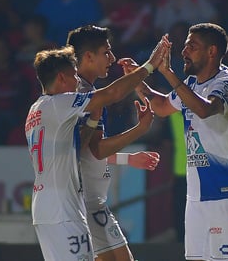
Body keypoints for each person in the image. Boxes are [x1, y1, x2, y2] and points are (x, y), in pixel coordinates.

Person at [25, 37, 167, 260]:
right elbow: (112, 94)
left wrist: (92, 122)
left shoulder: (36, 110)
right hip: (65, 208)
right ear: (62, 78)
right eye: (73, 76)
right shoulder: (60, 103)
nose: (77, 82)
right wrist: (149, 66)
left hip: (44, 208)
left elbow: (77, 148)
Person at [121, 23, 228, 261]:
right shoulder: (190, 85)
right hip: (196, 194)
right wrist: (136, 80)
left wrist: (167, 72)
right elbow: (159, 106)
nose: (184, 51)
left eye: (192, 46)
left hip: (225, 191)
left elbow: (204, 109)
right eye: (185, 46)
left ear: (212, 52)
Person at [66, 25, 160, 261]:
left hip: (92, 202)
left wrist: (128, 158)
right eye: (106, 52)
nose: (112, 58)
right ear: (88, 56)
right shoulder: (81, 93)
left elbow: (86, 149)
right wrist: (140, 129)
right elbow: (96, 149)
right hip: (86, 202)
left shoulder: (82, 90)